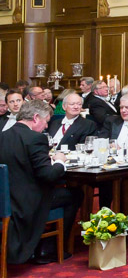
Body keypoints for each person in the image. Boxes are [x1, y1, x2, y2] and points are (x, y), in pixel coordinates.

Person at [0, 100, 81, 266]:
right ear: (36, 118)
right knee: (74, 194)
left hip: (6, 199)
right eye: (46, 122)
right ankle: (48, 247)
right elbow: (48, 175)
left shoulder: (3, 136)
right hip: (27, 202)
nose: (46, 127)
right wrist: (59, 162)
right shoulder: (35, 138)